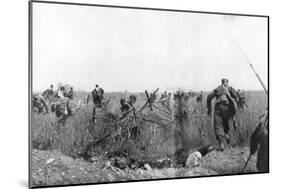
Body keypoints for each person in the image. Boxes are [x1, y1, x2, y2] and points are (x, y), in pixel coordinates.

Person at [207, 78, 238, 151]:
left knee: (218, 124)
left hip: (218, 107)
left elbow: (209, 97)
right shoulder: (230, 89)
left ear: (221, 82)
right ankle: (226, 135)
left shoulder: (218, 89)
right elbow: (236, 96)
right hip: (227, 108)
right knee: (225, 122)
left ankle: (221, 143)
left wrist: (209, 108)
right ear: (227, 82)